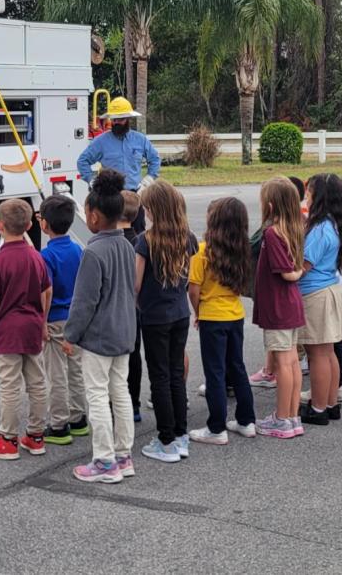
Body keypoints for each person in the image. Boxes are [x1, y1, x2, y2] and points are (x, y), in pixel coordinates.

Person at [65, 170, 139, 484]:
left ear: (94, 215)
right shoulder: (126, 245)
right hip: (124, 330)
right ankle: (123, 455)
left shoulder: (93, 252)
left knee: (96, 396)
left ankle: (104, 461)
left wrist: (71, 335)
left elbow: (84, 302)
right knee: (119, 392)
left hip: (98, 336)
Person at [0, 200, 53, 460]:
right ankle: (35, 436)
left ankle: (7, 439)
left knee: (10, 386)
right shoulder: (37, 258)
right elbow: (47, 291)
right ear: (30, 225)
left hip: (7, 331)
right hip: (32, 326)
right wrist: (42, 323)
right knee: (37, 382)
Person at [134, 180, 198, 463]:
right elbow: (190, 277)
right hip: (179, 312)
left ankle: (166, 439)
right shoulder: (189, 237)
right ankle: (180, 434)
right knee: (175, 374)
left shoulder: (145, 241)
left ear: (153, 209)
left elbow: (135, 283)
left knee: (159, 376)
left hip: (154, 315)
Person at [186, 197, 258, 445]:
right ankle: (246, 420)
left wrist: (198, 312)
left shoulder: (203, 252)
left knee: (214, 372)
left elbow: (193, 290)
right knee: (237, 367)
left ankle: (216, 427)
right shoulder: (242, 250)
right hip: (235, 314)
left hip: (212, 316)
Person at [297, 174, 342, 426]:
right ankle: (330, 402)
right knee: (328, 351)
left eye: (309, 193)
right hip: (330, 289)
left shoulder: (320, 229)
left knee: (317, 354)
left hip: (316, 294)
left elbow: (304, 266)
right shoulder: (335, 223)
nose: (306, 197)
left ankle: (319, 407)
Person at [253, 178, 306, 439]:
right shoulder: (294, 228)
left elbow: (286, 273)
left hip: (279, 305)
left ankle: (282, 419)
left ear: (271, 205)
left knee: (284, 363)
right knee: (293, 360)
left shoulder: (272, 233)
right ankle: (292, 415)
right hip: (291, 304)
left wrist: (296, 272)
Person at [38, 195, 89, 445]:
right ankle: (78, 417)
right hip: (75, 317)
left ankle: (59, 424)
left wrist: (41, 321)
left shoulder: (46, 255)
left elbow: (45, 291)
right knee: (76, 369)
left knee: (56, 373)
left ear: (44, 224)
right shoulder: (78, 249)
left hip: (55, 318)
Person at [76, 97, 161, 235]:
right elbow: (82, 161)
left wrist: (147, 182)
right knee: (110, 234)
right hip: (110, 196)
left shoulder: (140, 140)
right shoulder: (101, 141)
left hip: (135, 195)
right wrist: (92, 180)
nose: (116, 123)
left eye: (120, 119)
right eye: (114, 119)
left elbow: (155, 160)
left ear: (128, 119)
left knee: (137, 234)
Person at [120, 190, 146, 422]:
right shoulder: (141, 240)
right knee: (134, 354)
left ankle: (119, 403)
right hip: (137, 309)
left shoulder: (116, 242)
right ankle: (134, 403)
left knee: (120, 358)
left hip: (119, 310)